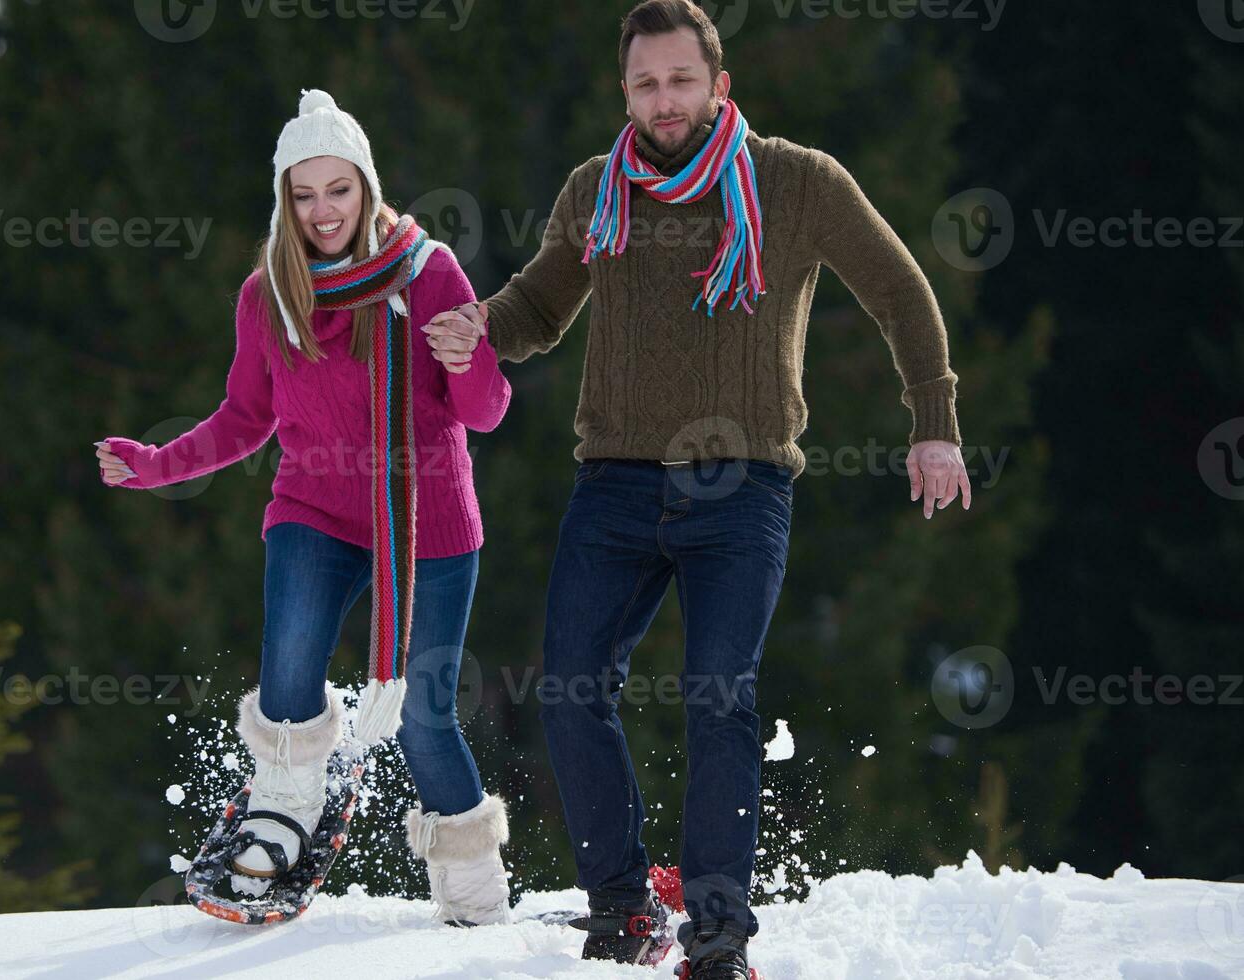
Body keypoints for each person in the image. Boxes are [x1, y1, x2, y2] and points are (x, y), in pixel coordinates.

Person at [424, 0, 973, 974]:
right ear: (624, 90)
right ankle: (622, 905)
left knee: (718, 693)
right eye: (645, 82)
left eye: (681, 80)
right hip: (615, 484)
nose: (663, 99)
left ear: (718, 85)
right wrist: (481, 324)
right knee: (569, 688)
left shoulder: (795, 183)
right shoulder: (598, 190)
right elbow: (542, 303)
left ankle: (717, 928)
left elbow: (898, 290)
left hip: (741, 485)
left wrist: (932, 421)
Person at [95, 89, 514, 927]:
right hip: (314, 509)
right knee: (288, 668)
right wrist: (156, 465)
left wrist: (466, 357)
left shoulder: (427, 274)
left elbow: (487, 410)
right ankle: (284, 809)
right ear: (285, 198)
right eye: (304, 192)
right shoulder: (268, 295)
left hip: (426, 521)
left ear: (366, 185)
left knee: (425, 721)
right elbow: (246, 419)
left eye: (339, 189)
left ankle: (470, 879)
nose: (323, 211)